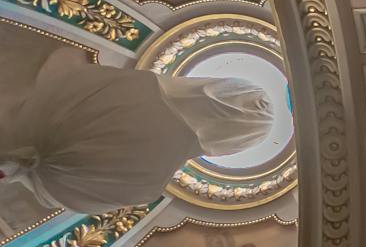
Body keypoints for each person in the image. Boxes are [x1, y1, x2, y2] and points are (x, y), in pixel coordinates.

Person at [0, 48, 274, 213]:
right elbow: (63, 198)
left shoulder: (137, 88)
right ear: (232, 145)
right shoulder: (145, 188)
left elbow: (61, 80)